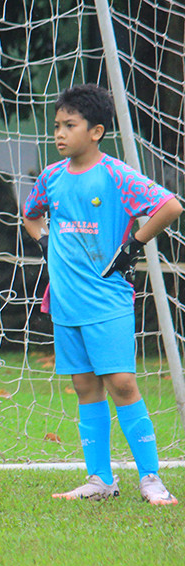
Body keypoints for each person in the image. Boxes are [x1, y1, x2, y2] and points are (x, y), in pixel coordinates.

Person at [23, 83, 183, 505]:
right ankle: (100, 479)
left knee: (123, 384)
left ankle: (151, 478)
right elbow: (31, 215)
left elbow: (170, 206)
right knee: (84, 386)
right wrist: (45, 242)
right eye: (57, 125)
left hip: (107, 301)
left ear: (96, 131)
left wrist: (134, 245)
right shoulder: (51, 177)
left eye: (69, 125)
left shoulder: (116, 175)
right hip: (65, 301)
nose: (59, 134)